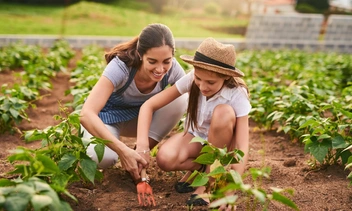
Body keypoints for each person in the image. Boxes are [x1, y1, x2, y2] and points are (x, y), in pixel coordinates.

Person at [136, 37, 251, 209]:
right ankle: (203, 168)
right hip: (196, 137)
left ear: (226, 77)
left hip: (222, 148)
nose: (202, 86)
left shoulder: (237, 94)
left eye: (210, 82)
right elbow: (149, 105)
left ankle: (206, 185)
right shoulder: (192, 79)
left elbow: (242, 146)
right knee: (165, 159)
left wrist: (230, 192)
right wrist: (143, 146)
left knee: (223, 111)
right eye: (198, 79)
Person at [79, 23, 188, 182]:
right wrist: (123, 151)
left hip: (141, 121)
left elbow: (195, 100)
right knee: (103, 158)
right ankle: (114, 148)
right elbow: (86, 113)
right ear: (140, 54)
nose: (160, 69)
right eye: (152, 61)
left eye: (166, 61)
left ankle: (139, 157)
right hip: (107, 120)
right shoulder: (121, 67)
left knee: (182, 97)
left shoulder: (173, 69)